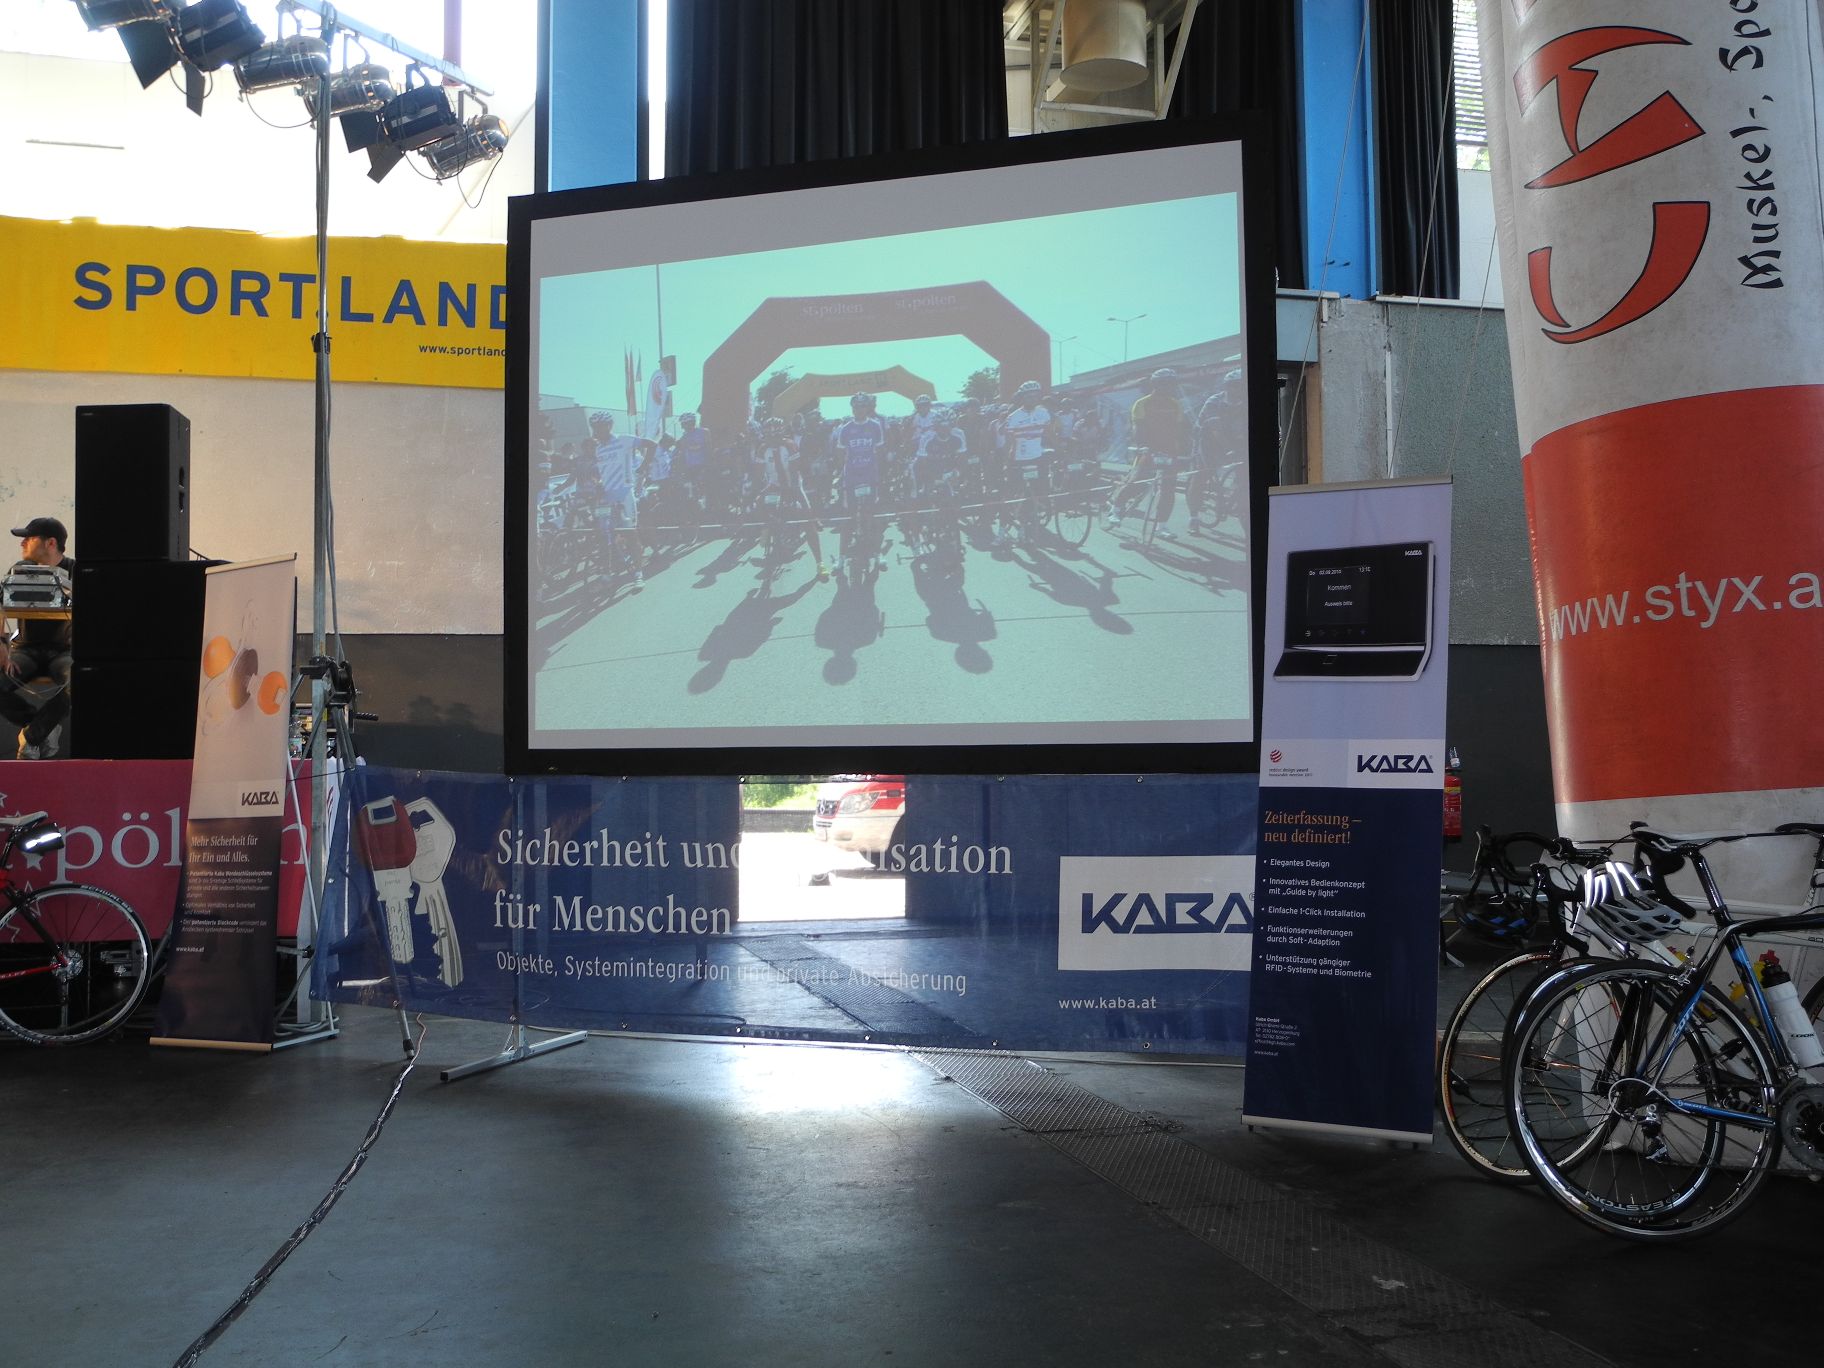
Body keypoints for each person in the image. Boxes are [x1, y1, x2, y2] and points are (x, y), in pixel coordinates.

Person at [0, 517, 74, 759]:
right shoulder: (19, 570)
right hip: (25, 650)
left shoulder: (77, 571)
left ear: (50, 543)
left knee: (81, 681)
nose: (22, 543)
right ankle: (42, 727)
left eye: (29, 538)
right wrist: (2, 644)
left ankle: (33, 736)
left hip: (64, 651)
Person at [1106, 368, 1190, 537]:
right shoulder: (1142, 403)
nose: (1168, 387)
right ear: (1155, 384)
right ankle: (1115, 509)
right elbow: (1138, 427)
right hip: (1147, 449)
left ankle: (1161, 527)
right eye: (1164, 383)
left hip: (1169, 451)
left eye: (1171, 384)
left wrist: (1184, 450)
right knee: (1137, 481)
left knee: (1168, 490)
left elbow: (1180, 429)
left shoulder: (1175, 404)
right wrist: (1143, 446)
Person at [830, 392, 888, 582]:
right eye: (856, 407)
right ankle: (841, 558)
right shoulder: (845, 428)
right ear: (852, 408)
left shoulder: (875, 425)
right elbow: (840, 453)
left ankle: (878, 554)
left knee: (872, 515)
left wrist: (881, 473)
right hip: (852, 476)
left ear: (867, 408)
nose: (860, 410)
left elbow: (880, 450)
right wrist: (840, 473)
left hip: (870, 474)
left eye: (863, 406)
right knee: (848, 517)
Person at [590, 411, 648, 585]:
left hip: (624, 494)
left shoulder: (623, 439)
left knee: (630, 534)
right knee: (604, 535)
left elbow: (651, 445)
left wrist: (643, 468)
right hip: (606, 497)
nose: (596, 430)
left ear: (609, 426)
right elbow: (603, 471)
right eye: (594, 427)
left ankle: (638, 574)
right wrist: (599, 483)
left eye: (599, 427)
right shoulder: (598, 448)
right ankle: (607, 573)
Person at [995, 381, 1051, 547]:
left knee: (1038, 494)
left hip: (1037, 459)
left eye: (1035, 396)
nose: (1032, 399)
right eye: (1028, 396)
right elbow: (1008, 444)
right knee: (1009, 496)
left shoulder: (1043, 413)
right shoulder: (1013, 417)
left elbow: (1050, 435)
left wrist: (1065, 453)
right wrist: (1006, 463)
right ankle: (1002, 532)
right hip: (1018, 460)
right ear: (1022, 398)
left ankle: (1027, 523)